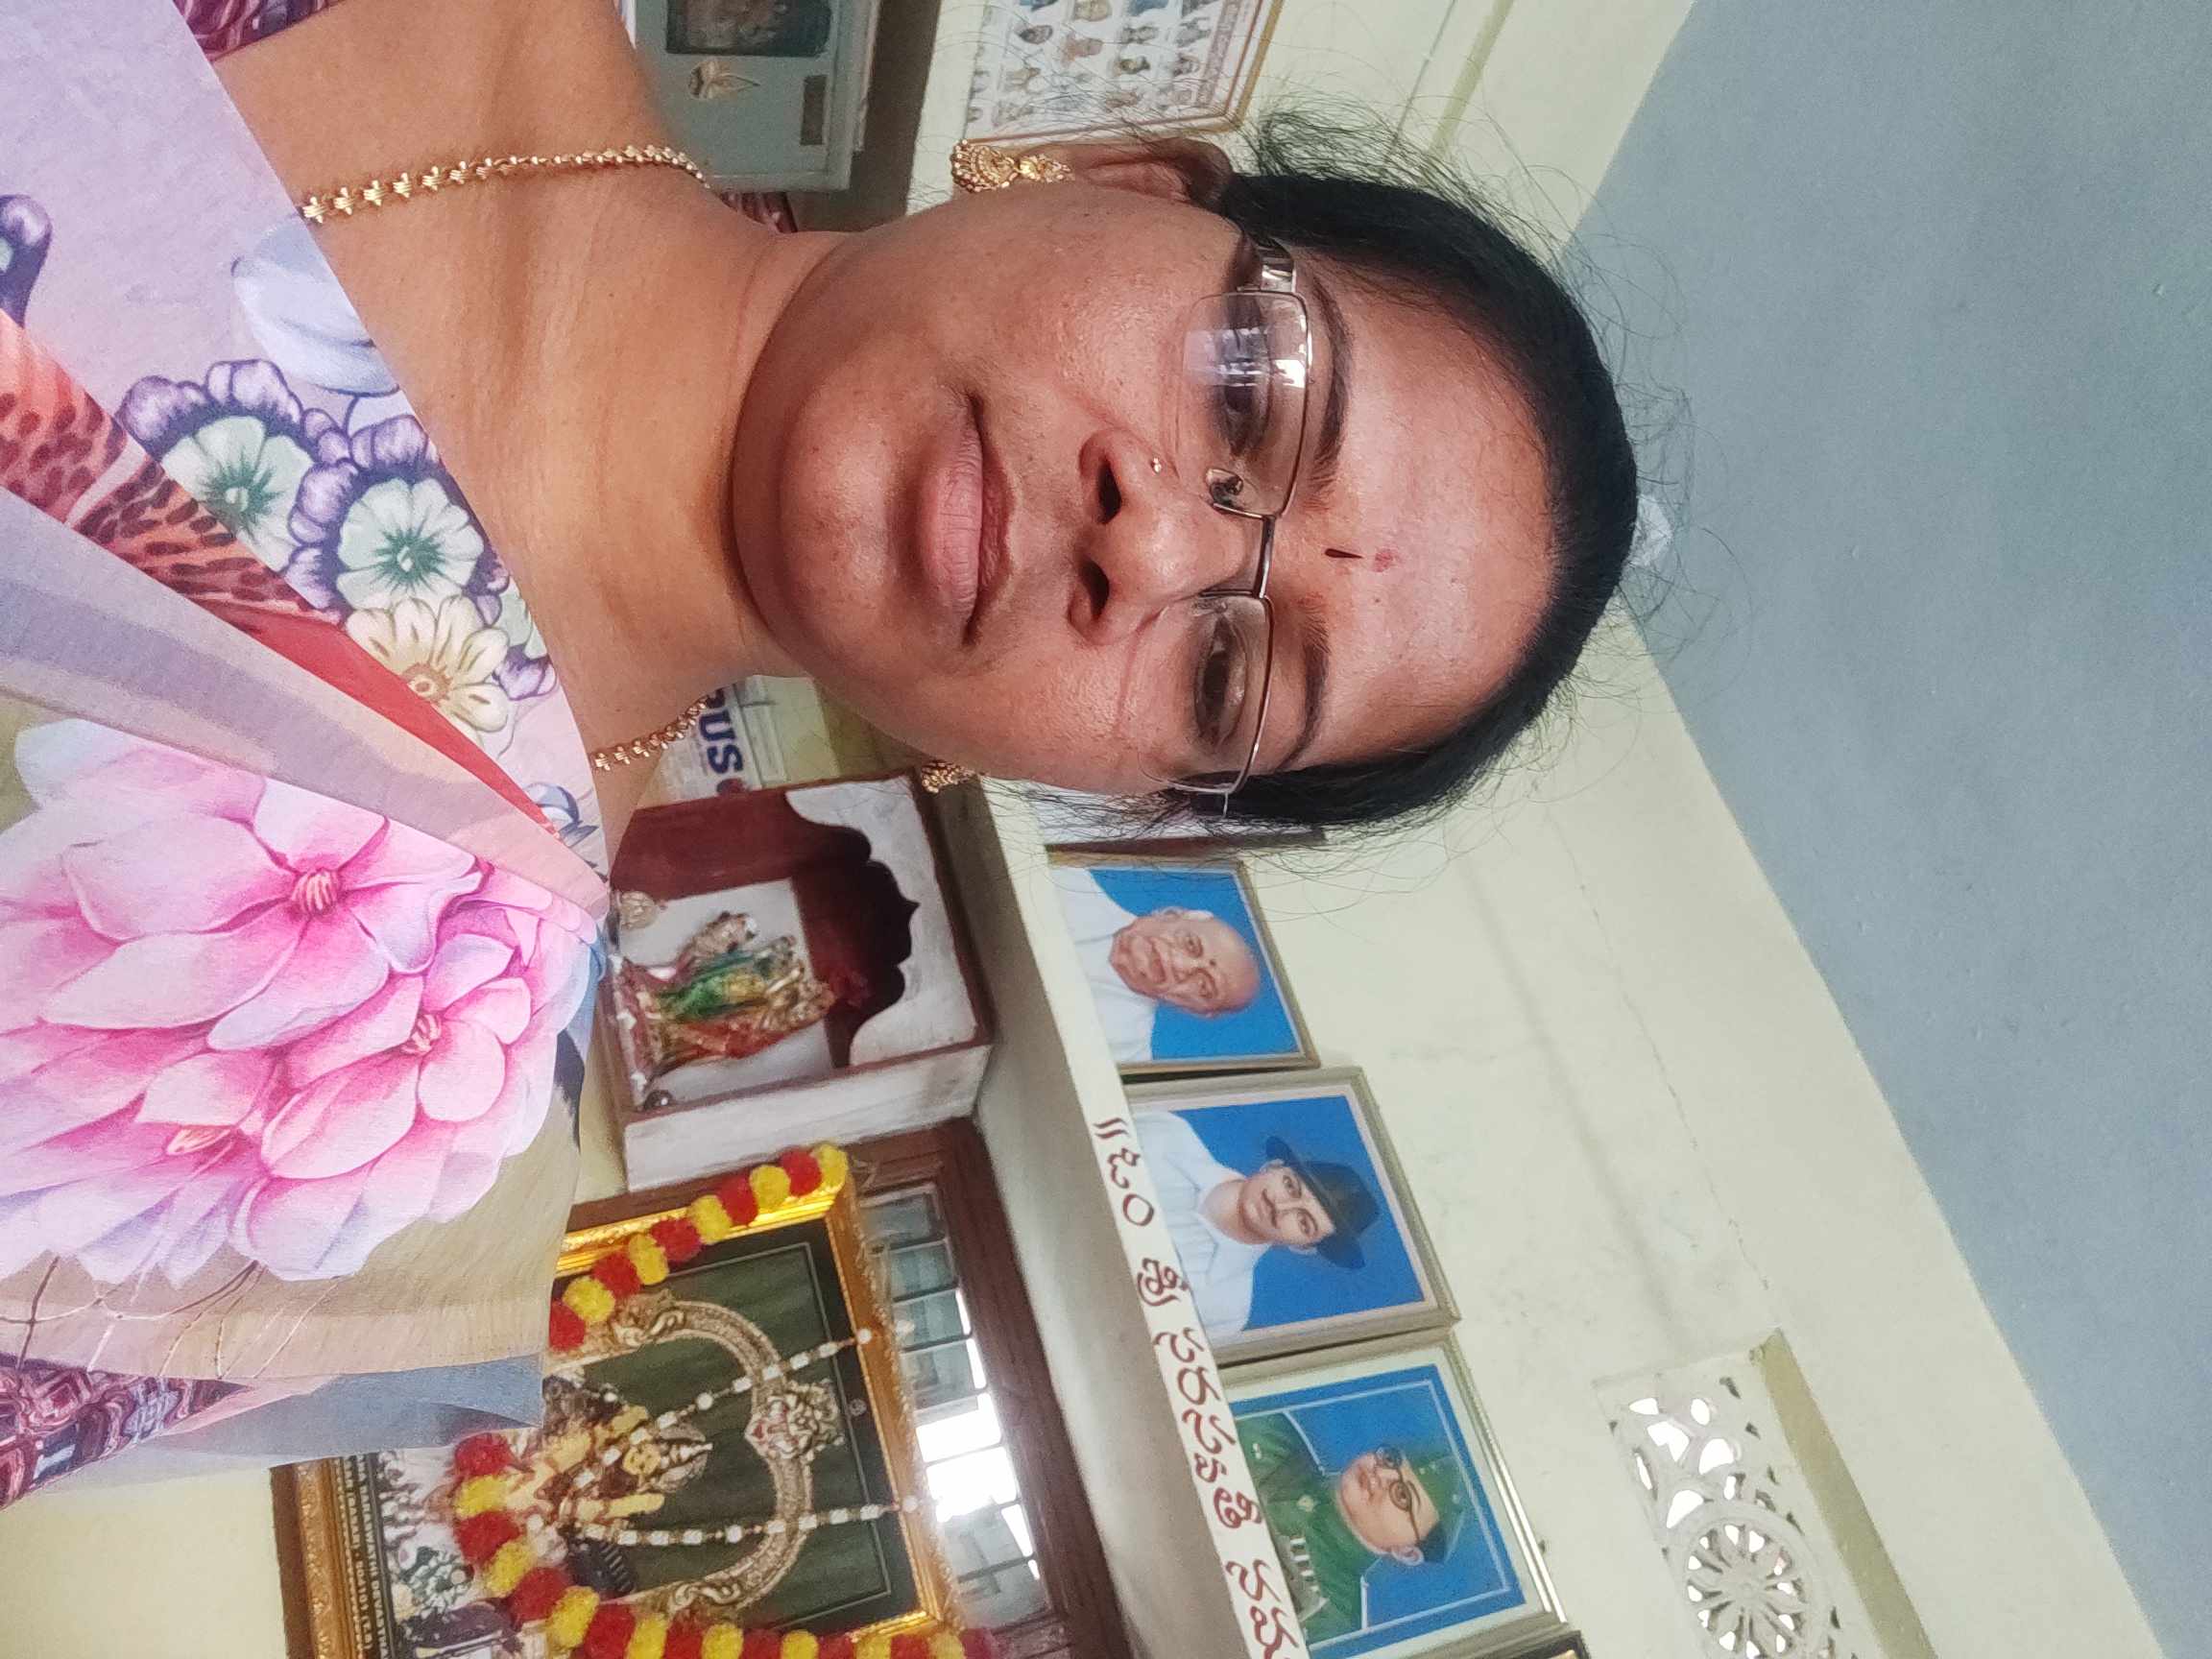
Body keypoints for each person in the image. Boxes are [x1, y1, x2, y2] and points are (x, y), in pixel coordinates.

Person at [0, 0, 1636, 1500]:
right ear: (1123, 180)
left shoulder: (389, 1110)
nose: (1145, 552)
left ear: (1110, 792)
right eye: (1247, 398)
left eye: (1224, 674)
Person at [1134, 1108, 1380, 1335]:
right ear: (1273, 1166)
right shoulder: (1167, 1133)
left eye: (1304, 1222)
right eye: (1290, 1186)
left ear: (1303, 1247)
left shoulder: (1226, 1309)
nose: (1280, 1207)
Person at [1239, 1412, 1472, 1647]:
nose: (1380, 1473)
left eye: (1402, 1495)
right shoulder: (1266, 1432)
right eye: (1390, 1459)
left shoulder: (1332, 1628)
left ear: (1407, 1552)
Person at [1056, 865, 1263, 1061]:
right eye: (1191, 944)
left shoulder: (1126, 1052)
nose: (1181, 966)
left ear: (1193, 1010)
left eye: (1203, 986)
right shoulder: (1067, 879)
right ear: (1169, 914)